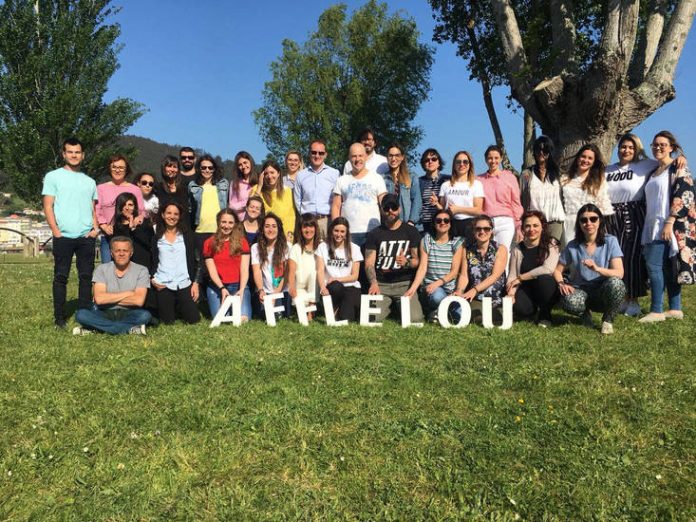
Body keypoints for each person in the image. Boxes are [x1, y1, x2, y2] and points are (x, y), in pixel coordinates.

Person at [605, 133, 688, 317]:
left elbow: (673, 166)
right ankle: (622, 297)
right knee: (618, 257)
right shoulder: (608, 170)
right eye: (623, 147)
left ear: (637, 149)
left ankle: (636, 301)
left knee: (637, 258)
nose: (626, 150)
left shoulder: (645, 165)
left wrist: (681, 157)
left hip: (636, 213)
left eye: (631, 147)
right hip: (613, 215)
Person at [42, 137, 100, 329]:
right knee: (61, 277)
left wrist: (95, 229)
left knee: (86, 277)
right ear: (64, 154)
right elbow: (48, 206)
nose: (74, 155)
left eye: (77, 152)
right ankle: (59, 318)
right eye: (70, 152)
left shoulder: (90, 182)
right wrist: (56, 231)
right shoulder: (53, 177)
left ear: (82, 155)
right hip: (63, 236)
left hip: (86, 237)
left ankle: (84, 316)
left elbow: (93, 209)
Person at [639, 130, 695, 322]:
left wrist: (669, 222)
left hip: (669, 225)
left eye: (663, 144)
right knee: (667, 268)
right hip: (652, 224)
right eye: (655, 144)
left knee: (653, 265)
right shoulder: (653, 171)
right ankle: (675, 308)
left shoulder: (678, 168)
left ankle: (656, 310)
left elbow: (685, 196)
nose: (658, 147)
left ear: (671, 147)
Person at [554, 204, 625, 334]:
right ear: (579, 224)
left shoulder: (611, 241)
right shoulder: (572, 245)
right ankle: (585, 314)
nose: (588, 223)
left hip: (602, 290)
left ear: (600, 221)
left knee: (616, 284)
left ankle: (608, 319)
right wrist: (561, 283)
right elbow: (557, 270)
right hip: (581, 290)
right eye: (583, 220)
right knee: (566, 299)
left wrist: (597, 269)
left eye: (593, 219)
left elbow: (619, 273)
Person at [73, 236, 151, 335]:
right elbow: (100, 299)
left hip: (129, 312)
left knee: (145, 315)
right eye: (117, 250)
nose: (121, 254)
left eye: (125, 251)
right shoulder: (102, 269)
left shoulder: (141, 270)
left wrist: (109, 298)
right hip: (103, 312)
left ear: (131, 253)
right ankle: (128, 329)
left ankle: (97, 329)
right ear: (111, 253)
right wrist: (129, 293)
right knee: (81, 315)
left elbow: (139, 301)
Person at [364, 194, 423, 322]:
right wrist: (373, 283)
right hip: (381, 284)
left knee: (415, 320)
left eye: (394, 207)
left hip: (404, 284)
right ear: (381, 210)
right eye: (386, 208)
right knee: (371, 320)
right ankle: (390, 307)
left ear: (399, 209)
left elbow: (417, 261)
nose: (390, 210)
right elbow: (369, 263)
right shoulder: (375, 234)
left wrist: (407, 262)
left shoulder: (411, 231)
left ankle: (396, 307)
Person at [404, 209, 464, 322]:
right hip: (431, 289)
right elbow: (422, 268)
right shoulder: (426, 240)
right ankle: (438, 310)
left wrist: (439, 282)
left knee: (459, 316)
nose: (443, 223)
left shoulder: (457, 243)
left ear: (450, 223)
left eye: (446, 220)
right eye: (439, 220)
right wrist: (412, 289)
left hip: (450, 288)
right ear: (434, 223)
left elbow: (454, 272)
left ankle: (436, 313)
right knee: (437, 297)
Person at [150, 202, 201, 324]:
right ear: (162, 215)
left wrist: (196, 283)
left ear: (179, 216)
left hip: (184, 282)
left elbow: (198, 261)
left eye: (176, 214)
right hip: (163, 282)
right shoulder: (156, 237)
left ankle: (181, 306)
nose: (172, 216)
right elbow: (152, 260)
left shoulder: (188, 236)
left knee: (193, 319)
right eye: (169, 213)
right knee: (167, 321)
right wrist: (152, 278)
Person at [506, 210, 559, 326]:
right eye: (527, 226)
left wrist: (521, 278)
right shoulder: (517, 249)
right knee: (521, 310)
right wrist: (511, 292)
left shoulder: (551, 245)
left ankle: (545, 314)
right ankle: (532, 311)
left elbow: (547, 269)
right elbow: (512, 275)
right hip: (526, 288)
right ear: (523, 229)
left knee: (545, 279)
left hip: (546, 287)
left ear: (542, 227)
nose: (531, 229)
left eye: (535, 225)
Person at [331, 143, 387, 246]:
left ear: (365, 157)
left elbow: (384, 204)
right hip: (348, 232)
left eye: (360, 155)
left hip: (373, 231)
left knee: (370, 263)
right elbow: (336, 206)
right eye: (354, 156)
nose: (357, 159)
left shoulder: (377, 178)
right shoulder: (341, 180)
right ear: (349, 158)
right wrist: (337, 228)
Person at [455, 215, 508, 319]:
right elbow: (464, 276)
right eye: (478, 228)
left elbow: (495, 276)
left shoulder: (500, 249)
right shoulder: (468, 250)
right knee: (459, 313)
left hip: (494, 297)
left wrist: (475, 290)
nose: (482, 232)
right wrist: (459, 291)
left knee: (479, 317)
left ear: (492, 230)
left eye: (486, 229)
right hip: (474, 296)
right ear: (473, 231)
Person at [203, 209, 251, 321]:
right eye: (223, 222)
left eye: (230, 223)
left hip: (238, 286)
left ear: (234, 224)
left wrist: (242, 289)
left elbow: (244, 269)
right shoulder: (209, 243)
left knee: (243, 318)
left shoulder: (242, 242)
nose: (226, 226)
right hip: (217, 287)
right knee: (220, 318)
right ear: (218, 222)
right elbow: (212, 271)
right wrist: (222, 288)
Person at [96, 154, 145, 262]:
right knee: (108, 269)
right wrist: (103, 225)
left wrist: (137, 220)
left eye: (121, 167)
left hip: (129, 236)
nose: (117, 170)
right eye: (114, 167)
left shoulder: (135, 189)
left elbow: (141, 211)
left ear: (126, 169)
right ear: (109, 168)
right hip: (108, 236)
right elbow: (97, 210)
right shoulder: (101, 188)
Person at [560, 144, 614, 242]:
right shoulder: (564, 179)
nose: (585, 160)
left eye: (590, 158)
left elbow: (603, 206)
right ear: (578, 158)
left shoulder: (599, 180)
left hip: (590, 224)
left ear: (594, 162)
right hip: (570, 224)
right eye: (583, 156)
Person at [316, 217, 363, 322]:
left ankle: (339, 310)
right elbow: (319, 270)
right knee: (336, 286)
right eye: (336, 231)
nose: (339, 234)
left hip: (350, 286)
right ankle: (333, 307)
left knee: (346, 319)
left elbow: (355, 276)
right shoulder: (323, 247)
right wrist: (323, 288)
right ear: (331, 230)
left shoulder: (354, 248)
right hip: (332, 288)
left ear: (346, 233)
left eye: (342, 231)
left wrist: (337, 278)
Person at [519, 136, 565, 243]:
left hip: (555, 221)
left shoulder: (559, 173)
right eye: (538, 150)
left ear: (550, 152)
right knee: (536, 253)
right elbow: (521, 198)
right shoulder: (526, 174)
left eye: (545, 150)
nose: (541, 153)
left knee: (552, 250)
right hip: (534, 222)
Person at [478, 145, 523, 253]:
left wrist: (518, 225)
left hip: (506, 221)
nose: (493, 161)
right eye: (490, 158)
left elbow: (516, 202)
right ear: (485, 160)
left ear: (501, 158)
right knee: (487, 254)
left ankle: (504, 271)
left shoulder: (509, 177)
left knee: (503, 253)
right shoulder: (478, 180)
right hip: (486, 222)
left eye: (496, 158)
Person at [294, 139, 340, 238]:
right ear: (309, 153)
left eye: (321, 153)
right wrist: (305, 218)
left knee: (327, 252)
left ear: (325, 154)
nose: (317, 156)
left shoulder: (334, 174)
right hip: (308, 223)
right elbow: (298, 200)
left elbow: (338, 200)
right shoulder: (301, 175)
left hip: (327, 221)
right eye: (314, 152)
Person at [438, 150, 484, 242]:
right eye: (458, 162)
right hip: (450, 224)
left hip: (469, 225)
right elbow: (441, 209)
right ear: (454, 165)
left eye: (465, 162)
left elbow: (478, 210)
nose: (462, 164)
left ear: (470, 164)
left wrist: (458, 209)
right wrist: (436, 203)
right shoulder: (445, 185)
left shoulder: (476, 184)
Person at [188, 154, 229, 256]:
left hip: (219, 230)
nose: (207, 170)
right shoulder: (193, 185)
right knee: (201, 266)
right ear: (199, 168)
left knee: (219, 264)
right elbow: (190, 207)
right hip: (200, 230)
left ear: (214, 169)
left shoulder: (223, 184)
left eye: (210, 168)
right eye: (204, 167)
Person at [251, 213, 291, 317]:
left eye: (274, 226)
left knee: (279, 316)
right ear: (262, 229)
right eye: (267, 226)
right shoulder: (255, 247)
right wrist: (260, 290)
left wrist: (276, 293)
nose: (270, 230)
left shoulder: (287, 247)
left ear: (279, 229)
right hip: (265, 291)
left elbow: (287, 273)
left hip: (282, 290)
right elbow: (257, 271)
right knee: (265, 316)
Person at [252, 159, 296, 241]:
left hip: (283, 236)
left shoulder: (287, 191)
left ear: (278, 173)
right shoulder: (257, 189)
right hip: (263, 235)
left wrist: (289, 234)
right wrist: (260, 186)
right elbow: (251, 208)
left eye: (272, 172)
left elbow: (291, 216)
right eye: (266, 173)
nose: (269, 176)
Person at [112, 193, 154, 271]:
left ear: (135, 207)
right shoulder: (116, 228)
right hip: (124, 270)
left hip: (143, 267)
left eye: (130, 205)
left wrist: (134, 229)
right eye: (124, 205)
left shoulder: (144, 222)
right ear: (119, 207)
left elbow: (150, 244)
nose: (127, 208)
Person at [287, 213, 321, 311]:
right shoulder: (295, 248)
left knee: (314, 274)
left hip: (316, 287)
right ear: (300, 229)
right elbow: (291, 272)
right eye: (305, 227)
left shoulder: (321, 246)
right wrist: (292, 287)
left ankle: (311, 310)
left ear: (315, 228)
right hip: (300, 287)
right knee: (300, 308)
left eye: (311, 226)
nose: (308, 230)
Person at [383, 143, 421, 226]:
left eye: (397, 155)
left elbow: (417, 200)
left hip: (408, 224)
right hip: (389, 225)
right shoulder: (383, 178)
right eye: (390, 155)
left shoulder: (412, 176)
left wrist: (411, 221)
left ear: (402, 157)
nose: (393, 159)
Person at [418, 148, 450, 234]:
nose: (430, 161)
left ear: (439, 162)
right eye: (427, 160)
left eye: (434, 159)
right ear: (423, 164)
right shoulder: (419, 181)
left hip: (442, 222)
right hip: (424, 224)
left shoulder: (448, 180)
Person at [155, 155, 190, 227]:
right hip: (163, 228)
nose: (172, 169)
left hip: (182, 229)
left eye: (174, 167)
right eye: (169, 166)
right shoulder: (157, 187)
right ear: (164, 168)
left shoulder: (185, 187)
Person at [229, 151, 258, 220]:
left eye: (245, 163)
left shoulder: (259, 181)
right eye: (240, 165)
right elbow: (232, 205)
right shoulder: (235, 183)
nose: (243, 166)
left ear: (250, 162)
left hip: (257, 223)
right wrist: (248, 202)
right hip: (241, 222)